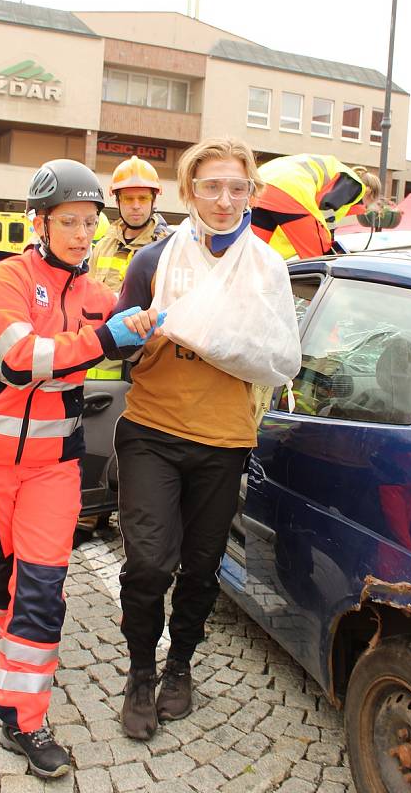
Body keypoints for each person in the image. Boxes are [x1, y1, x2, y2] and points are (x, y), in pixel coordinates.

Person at [0, 158, 158, 778]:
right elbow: (20, 356)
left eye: (90, 223)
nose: (81, 234)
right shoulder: (5, 281)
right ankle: (24, 646)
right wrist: (105, 339)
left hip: (52, 472)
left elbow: (127, 316)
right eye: (68, 221)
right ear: (38, 222)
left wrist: (148, 319)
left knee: (40, 595)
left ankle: (23, 717)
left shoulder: (93, 293)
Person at [110, 137, 295, 740]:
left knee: (201, 568)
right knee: (146, 564)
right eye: (211, 186)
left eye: (237, 187)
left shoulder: (266, 268)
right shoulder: (151, 263)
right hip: (153, 431)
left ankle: (180, 665)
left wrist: (214, 340)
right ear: (189, 192)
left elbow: (276, 357)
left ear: (251, 193)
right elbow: (119, 349)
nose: (224, 199)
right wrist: (134, 334)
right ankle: (141, 672)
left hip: (223, 439)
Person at [87, 155, 170, 380]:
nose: (135, 206)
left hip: (137, 370)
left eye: (142, 198)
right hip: (94, 364)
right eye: (128, 198)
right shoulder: (103, 243)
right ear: (117, 201)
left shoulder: (165, 248)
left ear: (154, 200)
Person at [250, 154, 381, 259]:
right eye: (369, 203)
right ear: (368, 191)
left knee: (253, 253)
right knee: (318, 259)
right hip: (291, 188)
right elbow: (326, 206)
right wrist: (329, 239)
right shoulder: (355, 184)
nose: (365, 208)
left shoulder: (337, 171)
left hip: (261, 183)